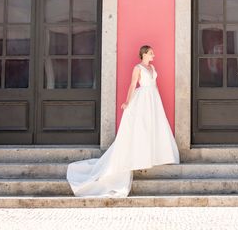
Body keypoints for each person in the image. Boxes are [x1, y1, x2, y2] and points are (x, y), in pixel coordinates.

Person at [67, 45, 180, 197]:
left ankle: (155, 156)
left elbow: (155, 85)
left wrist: (158, 100)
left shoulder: (152, 67)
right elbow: (133, 84)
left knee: (155, 127)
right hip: (143, 99)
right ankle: (141, 158)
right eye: (151, 53)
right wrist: (127, 102)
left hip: (153, 99)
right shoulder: (138, 68)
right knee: (142, 128)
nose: (154, 55)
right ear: (144, 54)